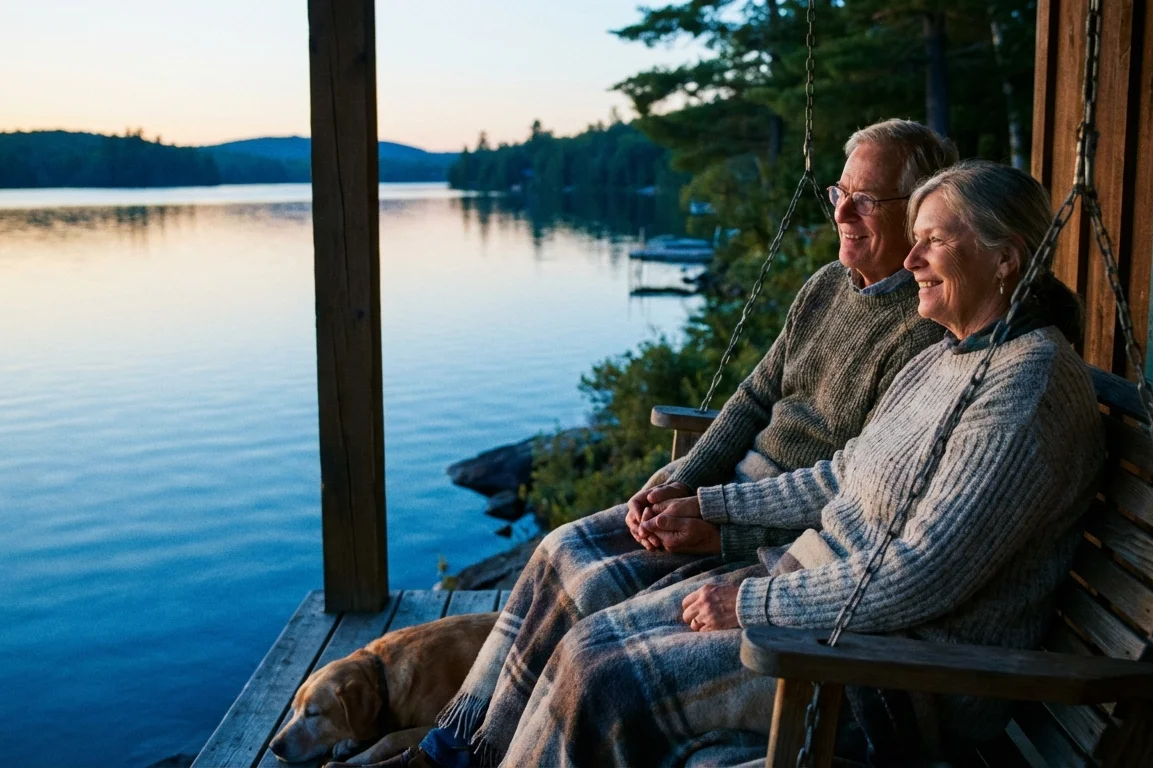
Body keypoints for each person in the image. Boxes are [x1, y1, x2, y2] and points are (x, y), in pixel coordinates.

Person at [355, 120, 957, 768]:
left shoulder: (924, 330)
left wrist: (719, 529)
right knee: (557, 550)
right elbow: (754, 397)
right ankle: (454, 747)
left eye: (865, 200)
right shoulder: (824, 288)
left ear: (922, 210)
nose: (841, 211)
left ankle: (489, 755)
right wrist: (678, 481)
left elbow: (857, 494)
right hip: (723, 498)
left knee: (592, 600)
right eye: (838, 192)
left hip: (772, 532)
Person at [501, 160, 1106, 767]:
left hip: (898, 676)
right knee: (590, 642)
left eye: (935, 241)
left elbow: (919, 574)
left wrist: (752, 604)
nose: (912, 259)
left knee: (608, 682)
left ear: (1006, 259)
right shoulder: (948, 357)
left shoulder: (1026, 389)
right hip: (822, 604)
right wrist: (711, 503)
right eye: (915, 238)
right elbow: (841, 474)